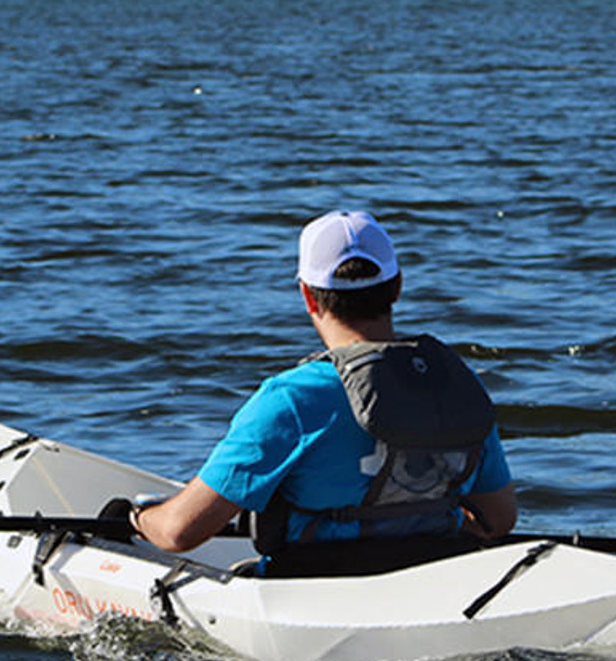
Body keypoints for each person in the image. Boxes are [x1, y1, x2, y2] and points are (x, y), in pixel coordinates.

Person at [124, 210, 518, 575]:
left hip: (312, 585)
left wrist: (138, 518)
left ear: (307, 295)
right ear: (396, 287)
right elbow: (499, 520)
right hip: (436, 578)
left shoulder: (291, 398)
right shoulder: (453, 382)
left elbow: (180, 533)